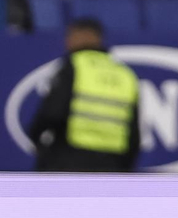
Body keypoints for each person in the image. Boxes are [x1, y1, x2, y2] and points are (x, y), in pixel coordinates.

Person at [26, 18, 141, 173]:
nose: (67, 42)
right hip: (113, 163)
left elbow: (53, 112)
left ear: (82, 35)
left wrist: (36, 138)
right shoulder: (125, 74)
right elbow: (133, 131)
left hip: (70, 159)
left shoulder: (74, 65)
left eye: (70, 36)